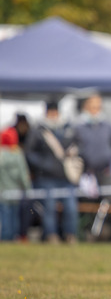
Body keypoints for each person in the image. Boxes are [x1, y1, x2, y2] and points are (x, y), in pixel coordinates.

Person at [24, 101, 80, 243]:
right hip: (46, 177)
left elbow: (78, 145)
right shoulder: (38, 131)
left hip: (65, 176)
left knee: (71, 208)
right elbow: (29, 152)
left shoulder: (67, 129)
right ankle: (51, 235)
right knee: (48, 208)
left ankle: (70, 234)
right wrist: (44, 164)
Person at [75, 93, 111, 197]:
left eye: (98, 107)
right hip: (87, 173)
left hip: (106, 171)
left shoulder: (108, 126)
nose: (96, 110)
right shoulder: (79, 128)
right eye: (93, 107)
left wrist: (109, 155)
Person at [0, 127, 31, 241]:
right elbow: (23, 175)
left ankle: (5, 238)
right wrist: (27, 189)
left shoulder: (1, 155)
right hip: (16, 192)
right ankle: (13, 237)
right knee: (15, 217)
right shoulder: (18, 155)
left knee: (5, 217)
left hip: (2, 193)